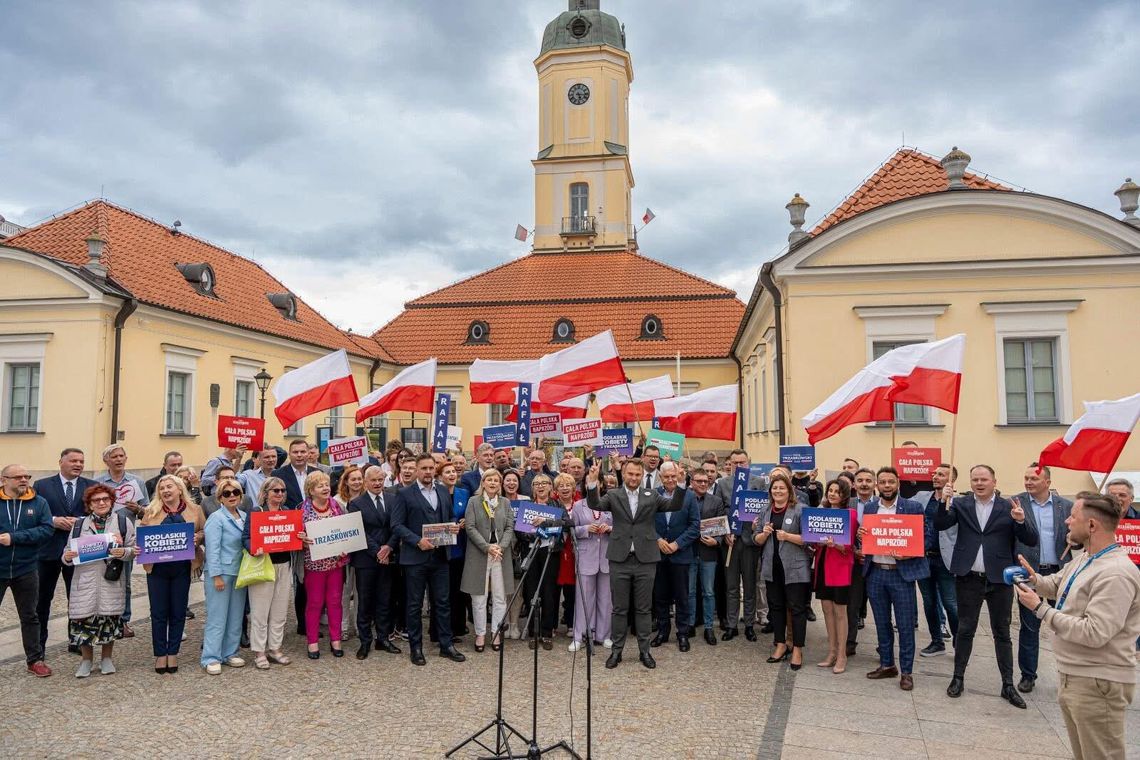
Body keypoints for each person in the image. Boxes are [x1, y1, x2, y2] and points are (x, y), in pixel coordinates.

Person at [1013, 491, 1140, 760]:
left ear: (1092, 525)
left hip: (1098, 680)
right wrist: (1035, 579)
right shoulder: (1087, 558)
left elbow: (1094, 632)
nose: (1067, 522)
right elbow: (1059, 584)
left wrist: (1040, 608)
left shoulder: (1115, 572)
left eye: (1073, 517)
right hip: (1076, 674)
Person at [935, 464, 1037, 708]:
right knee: (965, 629)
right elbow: (940, 524)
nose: (979, 483)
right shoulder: (961, 504)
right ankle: (957, 678)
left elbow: (1030, 539)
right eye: (975, 480)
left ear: (994, 481)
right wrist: (943, 501)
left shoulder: (1009, 506)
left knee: (1001, 632)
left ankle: (1008, 685)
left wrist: (1021, 522)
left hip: (999, 579)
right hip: (968, 576)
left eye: (983, 479)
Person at [584, 458, 687, 670]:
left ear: (642, 476)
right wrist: (593, 483)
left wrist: (681, 484)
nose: (634, 478)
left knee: (643, 609)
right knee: (620, 609)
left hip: (646, 559)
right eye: (630, 474)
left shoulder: (652, 495)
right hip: (620, 559)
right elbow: (595, 504)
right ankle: (616, 652)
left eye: (637, 475)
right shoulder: (613, 495)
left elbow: (674, 505)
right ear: (624, 474)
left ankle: (644, 651)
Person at [392, 453, 465, 666]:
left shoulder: (442, 490)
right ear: (416, 470)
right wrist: (416, 541)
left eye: (430, 468)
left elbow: (450, 515)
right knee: (414, 605)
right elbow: (397, 525)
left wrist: (453, 525)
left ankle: (446, 644)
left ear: (435, 469)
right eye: (423, 468)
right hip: (415, 558)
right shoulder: (405, 494)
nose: (427, 472)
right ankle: (416, 647)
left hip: (440, 556)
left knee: (442, 602)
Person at [861, 467, 927, 691]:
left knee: (906, 624)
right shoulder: (870, 508)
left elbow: (925, 538)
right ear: (877, 485)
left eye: (891, 481)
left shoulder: (912, 507)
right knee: (881, 622)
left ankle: (907, 671)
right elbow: (866, 539)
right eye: (883, 482)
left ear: (898, 483)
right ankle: (887, 663)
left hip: (901, 574)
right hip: (876, 572)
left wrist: (910, 552)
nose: (887, 485)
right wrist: (862, 535)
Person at [61, 483, 136, 677]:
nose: (101, 502)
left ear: (112, 502)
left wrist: (123, 552)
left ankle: (106, 658)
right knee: (84, 620)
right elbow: (67, 553)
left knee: (108, 619)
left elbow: (133, 550)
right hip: (85, 580)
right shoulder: (79, 525)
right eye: (96, 500)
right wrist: (67, 557)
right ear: (89, 504)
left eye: (105, 499)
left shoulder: (122, 522)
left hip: (110, 580)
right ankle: (86, 661)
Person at [1013, 462, 1073, 694]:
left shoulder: (1065, 506)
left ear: (1047, 482)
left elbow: (1075, 538)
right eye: (1026, 478)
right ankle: (1028, 675)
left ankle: (1069, 672)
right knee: (1029, 626)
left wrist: (1074, 542)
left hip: (1059, 572)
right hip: (1030, 572)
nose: (1028, 482)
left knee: (1065, 625)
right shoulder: (1016, 503)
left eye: (1034, 479)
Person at [139, 474, 205, 674]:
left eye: (169, 487)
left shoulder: (195, 510)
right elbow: (142, 534)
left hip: (182, 567)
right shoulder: (151, 511)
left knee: (178, 611)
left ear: (179, 489)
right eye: (162, 488)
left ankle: (173, 652)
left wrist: (198, 537)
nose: (166, 491)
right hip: (157, 568)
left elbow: (204, 531)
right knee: (158, 612)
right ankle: (160, 653)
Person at [34, 448, 96, 656]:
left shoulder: (91, 486)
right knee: (42, 599)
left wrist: (79, 522)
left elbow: (99, 514)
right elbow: (34, 515)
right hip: (48, 550)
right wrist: (53, 521)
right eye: (73, 461)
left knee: (77, 598)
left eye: (81, 461)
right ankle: (38, 646)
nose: (78, 464)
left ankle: (76, 640)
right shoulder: (42, 485)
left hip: (79, 550)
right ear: (61, 462)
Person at [1, 463, 55, 677]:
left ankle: (35, 659)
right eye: (18, 477)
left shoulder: (38, 502)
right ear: (4, 480)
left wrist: (14, 538)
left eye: (26, 476)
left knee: (30, 615)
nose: (24, 480)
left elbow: (46, 529)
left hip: (27, 567)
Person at [755, 471, 812, 671]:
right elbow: (757, 539)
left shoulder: (800, 509)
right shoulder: (765, 510)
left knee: (797, 609)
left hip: (795, 568)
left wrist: (787, 536)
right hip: (772, 567)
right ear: (770, 491)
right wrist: (763, 534)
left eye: (782, 488)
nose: (778, 491)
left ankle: (797, 648)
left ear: (789, 490)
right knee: (776, 607)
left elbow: (809, 539)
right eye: (775, 488)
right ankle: (780, 644)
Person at [346, 465, 400, 659]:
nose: (377, 483)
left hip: (389, 557)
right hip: (366, 560)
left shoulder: (394, 499)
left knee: (385, 600)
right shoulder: (356, 503)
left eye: (380, 480)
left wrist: (389, 548)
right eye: (373, 480)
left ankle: (383, 638)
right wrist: (378, 551)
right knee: (365, 602)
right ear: (366, 482)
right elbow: (358, 530)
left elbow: (397, 526)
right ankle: (365, 641)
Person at [241, 477, 294, 669]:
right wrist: (254, 548)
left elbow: (293, 534)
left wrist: (300, 536)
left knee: (279, 611)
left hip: (284, 564)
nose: (279, 494)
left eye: (282, 490)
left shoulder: (287, 512)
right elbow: (245, 537)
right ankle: (259, 651)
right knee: (260, 612)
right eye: (275, 491)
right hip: (263, 565)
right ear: (266, 492)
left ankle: (275, 648)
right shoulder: (257, 512)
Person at [97, 443, 149, 638]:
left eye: (121, 456)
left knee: (124, 581)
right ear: (106, 461)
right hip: (102, 536)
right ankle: (104, 618)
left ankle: (124, 621)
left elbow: (148, 512)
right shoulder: (98, 482)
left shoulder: (136, 481)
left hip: (126, 537)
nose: (118, 459)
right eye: (114, 456)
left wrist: (137, 509)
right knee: (102, 578)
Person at [461, 469, 515, 653]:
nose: (493, 483)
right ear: (483, 482)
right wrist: (487, 547)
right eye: (489, 480)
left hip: (500, 554)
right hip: (480, 553)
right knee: (479, 596)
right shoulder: (474, 502)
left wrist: (501, 546)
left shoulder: (505, 502)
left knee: (500, 597)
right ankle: (480, 633)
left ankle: (497, 632)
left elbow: (509, 527)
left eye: (496, 480)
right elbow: (470, 527)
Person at [716, 449, 766, 642]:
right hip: (731, 542)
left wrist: (757, 528)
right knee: (731, 586)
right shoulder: (723, 484)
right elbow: (720, 510)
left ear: (748, 463)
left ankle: (749, 624)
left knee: (750, 584)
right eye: (735, 462)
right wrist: (725, 532)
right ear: (730, 464)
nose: (738, 465)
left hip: (750, 541)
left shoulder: (758, 482)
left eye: (742, 462)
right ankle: (731, 624)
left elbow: (762, 511)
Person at [200, 477, 249, 675]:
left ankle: (230, 652)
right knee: (217, 616)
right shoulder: (216, 518)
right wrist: (216, 575)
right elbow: (212, 548)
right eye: (226, 493)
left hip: (240, 572)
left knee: (236, 615)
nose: (231, 496)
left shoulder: (245, 516)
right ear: (220, 497)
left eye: (235, 492)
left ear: (241, 495)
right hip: (221, 573)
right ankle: (211, 656)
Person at [651, 461, 700, 652]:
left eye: (673, 476)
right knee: (660, 596)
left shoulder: (689, 497)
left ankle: (682, 633)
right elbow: (645, 522)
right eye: (666, 476)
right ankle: (663, 631)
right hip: (659, 554)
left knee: (682, 597)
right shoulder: (653, 495)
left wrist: (677, 543)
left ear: (677, 476)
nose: (670, 479)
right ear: (660, 477)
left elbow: (695, 525)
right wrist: (657, 540)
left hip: (681, 554)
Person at [299, 471, 348, 659]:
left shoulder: (337, 506)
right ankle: (312, 642)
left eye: (327, 484)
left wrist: (346, 545)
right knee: (315, 603)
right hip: (314, 565)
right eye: (320, 486)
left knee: (335, 601)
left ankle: (335, 639)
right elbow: (296, 536)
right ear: (311, 490)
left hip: (336, 563)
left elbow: (346, 531)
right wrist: (302, 540)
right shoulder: (303, 510)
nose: (326, 488)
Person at [271, 439, 318, 634]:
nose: (299, 455)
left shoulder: (316, 473)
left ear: (308, 453)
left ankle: (311, 619)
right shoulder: (279, 475)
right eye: (295, 452)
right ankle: (302, 623)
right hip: (290, 532)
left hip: (315, 531)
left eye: (302, 451)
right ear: (290, 454)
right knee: (298, 578)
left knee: (311, 579)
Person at [918, 464, 959, 658]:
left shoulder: (958, 502)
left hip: (946, 560)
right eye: (935, 473)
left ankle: (960, 643)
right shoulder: (921, 496)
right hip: (924, 558)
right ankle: (936, 641)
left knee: (951, 603)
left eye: (941, 474)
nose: (935, 476)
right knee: (929, 602)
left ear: (952, 480)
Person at [813, 478, 854, 674]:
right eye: (830, 490)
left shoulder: (850, 515)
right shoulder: (821, 513)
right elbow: (813, 540)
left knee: (840, 612)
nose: (832, 494)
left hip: (839, 568)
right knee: (826, 610)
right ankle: (831, 651)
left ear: (844, 495)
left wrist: (835, 544)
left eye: (837, 491)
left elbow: (850, 546)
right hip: (822, 566)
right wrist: (816, 541)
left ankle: (842, 655)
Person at [520, 474, 564, 649]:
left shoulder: (556, 504)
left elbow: (567, 522)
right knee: (531, 592)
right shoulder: (528, 505)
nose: (540, 486)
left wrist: (546, 522)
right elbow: (520, 531)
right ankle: (533, 631)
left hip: (550, 551)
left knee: (548, 592)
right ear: (532, 488)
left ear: (550, 486)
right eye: (536, 484)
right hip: (531, 550)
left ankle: (547, 632)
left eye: (544, 483)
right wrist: (531, 532)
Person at [570, 479, 613, 651]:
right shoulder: (579, 505)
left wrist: (609, 529)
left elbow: (622, 526)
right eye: (589, 482)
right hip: (586, 555)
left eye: (597, 481)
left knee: (606, 599)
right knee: (583, 599)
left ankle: (604, 635)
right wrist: (587, 528)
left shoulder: (610, 503)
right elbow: (572, 529)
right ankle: (579, 636)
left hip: (606, 556)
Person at [687, 468, 725, 646]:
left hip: (708, 553)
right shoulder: (684, 499)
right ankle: (690, 624)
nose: (703, 483)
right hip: (688, 552)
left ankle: (709, 627)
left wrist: (716, 542)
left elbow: (721, 527)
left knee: (708, 592)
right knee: (690, 591)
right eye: (699, 481)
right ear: (692, 482)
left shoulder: (716, 501)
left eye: (705, 481)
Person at [437, 460, 472, 642]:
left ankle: (458, 627)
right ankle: (440, 631)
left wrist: (467, 520)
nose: (452, 474)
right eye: (447, 472)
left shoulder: (464, 493)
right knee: (443, 592)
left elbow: (470, 513)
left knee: (459, 590)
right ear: (439, 476)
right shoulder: (436, 493)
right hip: (441, 549)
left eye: (453, 472)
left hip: (460, 548)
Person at [846, 467, 877, 656]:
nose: (864, 484)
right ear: (854, 484)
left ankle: (885, 646)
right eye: (860, 480)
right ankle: (850, 642)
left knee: (881, 606)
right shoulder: (846, 504)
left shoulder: (884, 504)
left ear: (874, 483)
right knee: (852, 605)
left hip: (877, 562)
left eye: (868, 480)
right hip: (854, 561)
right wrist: (854, 551)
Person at [336, 465, 366, 642]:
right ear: (346, 481)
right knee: (345, 591)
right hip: (344, 551)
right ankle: (343, 626)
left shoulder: (367, 498)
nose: (357, 482)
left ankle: (359, 624)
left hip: (362, 550)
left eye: (359, 479)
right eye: (353, 479)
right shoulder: (337, 500)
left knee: (361, 590)